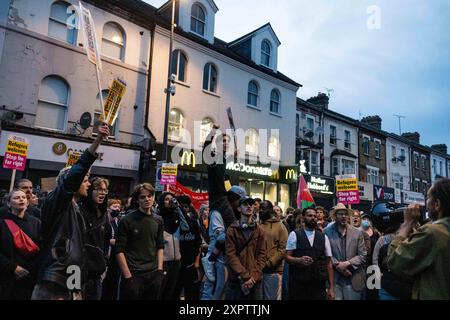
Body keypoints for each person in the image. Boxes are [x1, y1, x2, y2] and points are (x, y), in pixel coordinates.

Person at [31, 123, 110, 300]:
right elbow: (77, 172)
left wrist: (75, 289)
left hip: (67, 281)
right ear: (72, 182)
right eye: (85, 180)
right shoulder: (57, 203)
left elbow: (76, 253)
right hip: (54, 281)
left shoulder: (76, 210)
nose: (88, 184)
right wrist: (98, 140)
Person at [387, 178, 450, 300]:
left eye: (428, 198)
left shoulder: (432, 232)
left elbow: (394, 263)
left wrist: (406, 225)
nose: (425, 203)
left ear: (437, 204)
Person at [115, 183, 165, 300]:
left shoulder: (158, 220)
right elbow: (119, 250)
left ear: (153, 197)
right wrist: (128, 277)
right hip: (133, 274)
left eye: (149, 196)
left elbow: (160, 246)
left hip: (153, 274)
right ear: (137, 200)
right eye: (143, 197)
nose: (147, 199)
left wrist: (159, 271)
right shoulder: (126, 220)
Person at [200, 186, 246, 300]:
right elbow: (220, 237)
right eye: (240, 201)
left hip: (226, 257)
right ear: (234, 199)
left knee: (221, 291)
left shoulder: (234, 215)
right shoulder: (217, 213)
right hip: (216, 258)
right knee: (211, 290)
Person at [286, 207, 335, 300]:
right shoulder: (294, 234)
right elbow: (287, 257)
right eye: (309, 216)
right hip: (299, 284)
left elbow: (329, 263)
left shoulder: (323, 237)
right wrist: (299, 260)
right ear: (303, 218)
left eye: (315, 216)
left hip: (318, 285)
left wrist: (331, 288)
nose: (313, 218)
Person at [0, 189, 41, 300]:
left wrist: (30, 269)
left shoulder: (36, 223)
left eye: (23, 197)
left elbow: (43, 248)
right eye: (16, 198)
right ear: (8, 203)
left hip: (31, 278)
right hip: (7, 278)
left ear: (27, 202)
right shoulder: (2, 224)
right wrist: (14, 268)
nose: (21, 199)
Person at [225, 196, 266, 300]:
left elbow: (262, 255)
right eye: (245, 204)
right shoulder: (232, 229)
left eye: (251, 204)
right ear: (239, 209)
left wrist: (253, 277)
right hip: (236, 280)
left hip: (255, 280)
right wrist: (246, 276)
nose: (249, 206)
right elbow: (231, 255)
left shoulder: (259, 230)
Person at [324, 203, 367, 300]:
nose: (343, 216)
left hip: (353, 277)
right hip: (334, 279)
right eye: (340, 214)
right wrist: (339, 266)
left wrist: (347, 263)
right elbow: (326, 254)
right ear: (335, 216)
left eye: (345, 214)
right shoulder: (326, 231)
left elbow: (363, 255)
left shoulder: (357, 232)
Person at [78, 177, 110, 300]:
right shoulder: (79, 212)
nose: (102, 193)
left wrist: (104, 263)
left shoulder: (103, 215)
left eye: (105, 190)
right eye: (98, 189)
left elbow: (106, 241)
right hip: (76, 271)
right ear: (90, 189)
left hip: (97, 274)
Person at [157, 192, 189, 300]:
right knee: (160, 292)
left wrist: (178, 208)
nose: (170, 201)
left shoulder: (176, 216)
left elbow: (186, 227)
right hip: (163, 262)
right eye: (166, 199)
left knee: (170, 293)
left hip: (176, 262)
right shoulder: (157, 219)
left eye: (172, 199)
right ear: (162, 202)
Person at [256, 200, 288, 300]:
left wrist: (269, 263)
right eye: (260, 208)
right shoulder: (257, 225)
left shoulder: (280, 226)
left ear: (270, 210)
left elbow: (283, 249)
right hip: (257, 270)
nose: (260, 211)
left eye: (263, 208)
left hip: (273, 271)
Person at [175, 195, 202, 300]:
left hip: (190, 265)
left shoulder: (193, 223)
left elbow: (198, 243)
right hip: (176, 266)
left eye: (186, 207)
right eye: (181, 206)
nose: (184, 209)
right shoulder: (172, 223)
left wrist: (196, 263)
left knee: (192, 294)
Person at [102, 199, 122, 300]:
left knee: (114, 281)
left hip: (116, 257)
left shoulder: (119, 221)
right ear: (108, 208)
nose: (117, 209)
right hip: (106, 256)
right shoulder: (103, 220)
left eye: (119, 207)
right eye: (115, 207)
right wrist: (110, 241)